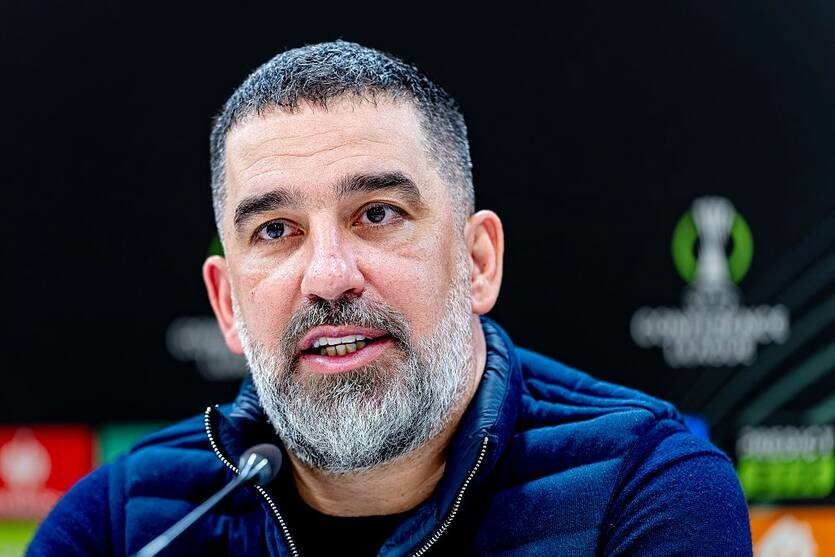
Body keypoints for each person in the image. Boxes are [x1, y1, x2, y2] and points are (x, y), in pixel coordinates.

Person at [28, 41, 752, 556]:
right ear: (226, 305)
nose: (328, 275)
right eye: (275, 230)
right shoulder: (118, 526)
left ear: (478, 261)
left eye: (376, 214)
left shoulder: (644, 488)